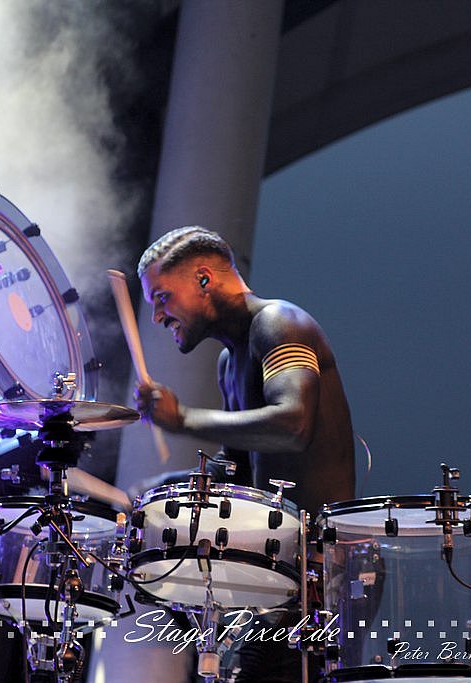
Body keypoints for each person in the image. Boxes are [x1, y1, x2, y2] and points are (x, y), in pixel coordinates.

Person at [133, 226, 356, 682]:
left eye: (162, 297)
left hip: (322, 572)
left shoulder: (280, 323)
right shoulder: (228, 362)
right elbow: (236, 470)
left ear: (203, 279)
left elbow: (293, 424)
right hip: (278, 572)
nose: (156, 316)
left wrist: (185, 418)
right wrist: (163, 493)